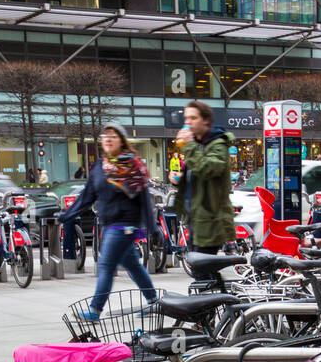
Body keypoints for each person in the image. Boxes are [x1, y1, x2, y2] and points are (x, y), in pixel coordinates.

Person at [60, 122, 158, 323]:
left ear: (121, 140)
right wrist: (67, 215)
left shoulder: (132, 166)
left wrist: (152, 226)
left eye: (113, 136)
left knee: (105, 264)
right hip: (109, 223)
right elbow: (87, 195)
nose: (108, 139)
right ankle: (154, 301)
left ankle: (95, 310)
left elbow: (144, 199)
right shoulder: (100, 167)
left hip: (126, 224)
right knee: (132, 264)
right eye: (105, 136)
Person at [170, 100, 234, 255]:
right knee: (203, 272)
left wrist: (189, 145)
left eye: (193, 118)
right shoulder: (200, 146)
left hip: (212, 221)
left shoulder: (217, 144)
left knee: (202, 270)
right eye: (186, 119)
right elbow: (199, 177)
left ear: (205, 120)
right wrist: (180, 179)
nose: (188, 122)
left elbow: (208, 169)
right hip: (197, 219)